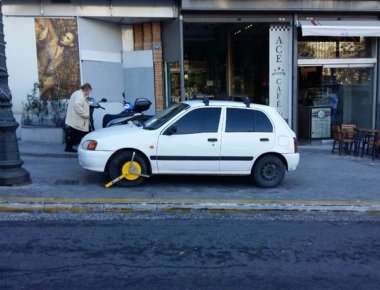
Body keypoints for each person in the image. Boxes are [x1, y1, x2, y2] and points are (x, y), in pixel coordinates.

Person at [64, 83, 92, 152]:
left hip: (75, 119)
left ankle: (68, 147)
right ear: (86, 89)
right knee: (84, 133)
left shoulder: (78, 93)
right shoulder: (80, 95)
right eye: (89, 91)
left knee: (74, 134)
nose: (89, 93)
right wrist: (85, 114)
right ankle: (88, 147)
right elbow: (77, 105)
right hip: (77, 120)